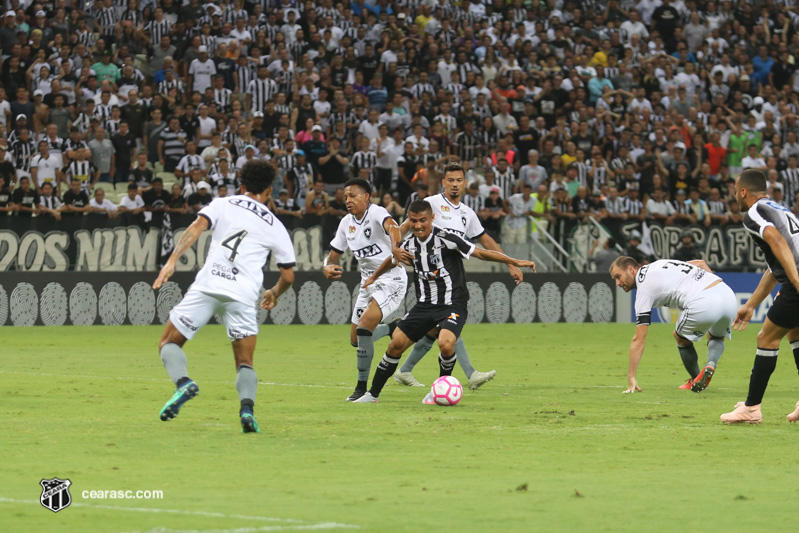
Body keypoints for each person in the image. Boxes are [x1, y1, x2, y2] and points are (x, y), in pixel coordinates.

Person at [152, 159, 296, 433]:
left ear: (241, 186)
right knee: (245, 362)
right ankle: (247, 411)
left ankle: (184, 383)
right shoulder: (275, 225)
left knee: (168, 342)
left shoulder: (223, 203)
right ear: (268, 191)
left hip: (209, 285)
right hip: (243, 294)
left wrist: (171, 261)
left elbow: (196, 227)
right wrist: (274, 292)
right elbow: (288, 276)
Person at [352, 199, 535, 403]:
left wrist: (513, 261)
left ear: (432, 218)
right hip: (425, 305)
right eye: (413, 221)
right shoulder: (409, 244)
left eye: (423, 220)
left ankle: (438, 392)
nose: (418, 225)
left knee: (446, 344)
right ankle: (372, 395)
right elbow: (392, 260)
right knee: (396, 344)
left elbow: (481, 253)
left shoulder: (447, 239)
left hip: (452, 303)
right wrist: (374, 277)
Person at [393, 163, 524, 390]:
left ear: (465, 183)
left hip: (453, 272)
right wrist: (395, 248)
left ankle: (405, 370)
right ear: (443, 182)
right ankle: (470, 374)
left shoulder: (467, 213)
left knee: (436, 329)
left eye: (459, 180)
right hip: (431, 275)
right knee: (448, 322)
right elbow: (403, 227)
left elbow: (485, 240)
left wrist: (510, 263)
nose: (455, 184)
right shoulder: (432, 203)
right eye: (450, 180)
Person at [720, 170, 799, 424]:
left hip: (797, 280)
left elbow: (777, 241)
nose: (735, 196)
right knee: (795, 332)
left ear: (743, 191)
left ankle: (751, 408)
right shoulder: (779, 209)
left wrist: (796, 281)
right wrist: (751, 304)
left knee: (767, 337)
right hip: (794, 276)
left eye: (735, 191)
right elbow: (775, 266)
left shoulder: (753, 213)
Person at [322, 178, 407, 402]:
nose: (347, 200)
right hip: (367, 282)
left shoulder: (376, 212)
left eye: (353, 196)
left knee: (364, 328)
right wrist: (326, 266)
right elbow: (333, 255)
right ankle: (392, 328)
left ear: (366, 197)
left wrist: (396, 247)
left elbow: (393, 227)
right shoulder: (345, 223)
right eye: (345, 197)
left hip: (391, 278)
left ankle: (361, 388)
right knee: (355, 340)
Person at [610, 256, 737, 394]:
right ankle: (711, 364)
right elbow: (701, 263)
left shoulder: (644, 290)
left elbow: (639, 340)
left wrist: (631, 376)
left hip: (704, 301)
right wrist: (713, 292)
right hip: (727, 294)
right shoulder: (659, 264)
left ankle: (696, 379)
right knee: (717, 336)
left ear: (630, 270)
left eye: (618, 276)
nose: (617, 283)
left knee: (680, 337)